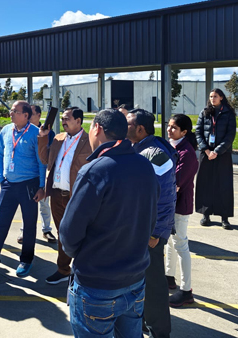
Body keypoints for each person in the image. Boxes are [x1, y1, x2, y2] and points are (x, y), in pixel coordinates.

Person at [60, 109, 159, 338]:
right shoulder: (144, 166)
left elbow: (68, 233)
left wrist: (83, 255)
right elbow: (150, 218)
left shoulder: (95, 170)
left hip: (97, 284)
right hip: (134, 279)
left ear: (97, 129)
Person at [0, 101, 47, 279]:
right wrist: (1, 177)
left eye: (15, 111)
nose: (11, 113)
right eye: (11, 110)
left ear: (26, 115)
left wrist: (41, 186)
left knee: (29, 224)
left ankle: (26, 260)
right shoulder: (6, 130)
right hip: (8, 184)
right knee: (0, 224)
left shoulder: (35, 133)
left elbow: (41, 162)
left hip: (29, 185)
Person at [126, 108, 176, 338]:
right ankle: (146, 322)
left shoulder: (154, 154)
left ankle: (160, 332)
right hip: (143, 230)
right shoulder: (141, 150)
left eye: (128, 125)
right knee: (143, 281)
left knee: (154, 285)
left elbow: (165, 198)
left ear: (140, 129)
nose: (124, 128)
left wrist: (155, 233)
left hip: (151, 233)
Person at [38, 106, 92, 285]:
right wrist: (43, 137)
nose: (63, 121)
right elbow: (45, 160)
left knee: (79, 234)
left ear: (79, 121)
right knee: (62, 234)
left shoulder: (89, 141)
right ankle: (63, 269)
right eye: (62, 118)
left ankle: (82, 271)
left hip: (76, 196)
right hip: (56, 195)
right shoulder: (58, 139)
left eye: (67, 118)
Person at [166, 114, 199, 308]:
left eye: (174, 128)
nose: (169, 130)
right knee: (170, 243)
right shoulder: (172, 147)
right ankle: (169, 278)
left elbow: (175, 183)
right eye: (169, 126)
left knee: (181, 246)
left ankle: (186, 291)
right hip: (169, 205)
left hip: (179, 206)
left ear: (184, 132)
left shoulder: (187, 153)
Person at [195, 88, 237, 229]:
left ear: (221, 98)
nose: (213, 99)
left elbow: (230, 135)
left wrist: (217, 151)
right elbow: (198, 132)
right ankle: (205, 214)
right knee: (205, 183)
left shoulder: (229, 114)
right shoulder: (204, 112)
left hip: (222, 155)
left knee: (223, 184)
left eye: (215, 96)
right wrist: (206, 150)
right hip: (206, 154)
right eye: (211, 96)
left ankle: (224, 217)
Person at [18, 104, 57, 244]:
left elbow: (49, 153)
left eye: (32, 113)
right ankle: (24, 231)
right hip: (28, 174)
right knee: (26, 205)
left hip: (42, 172)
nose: (28, 116)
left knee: (44, 204)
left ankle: (46, 230)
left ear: (39, 115)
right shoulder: (23, 130)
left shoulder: (48, 132)